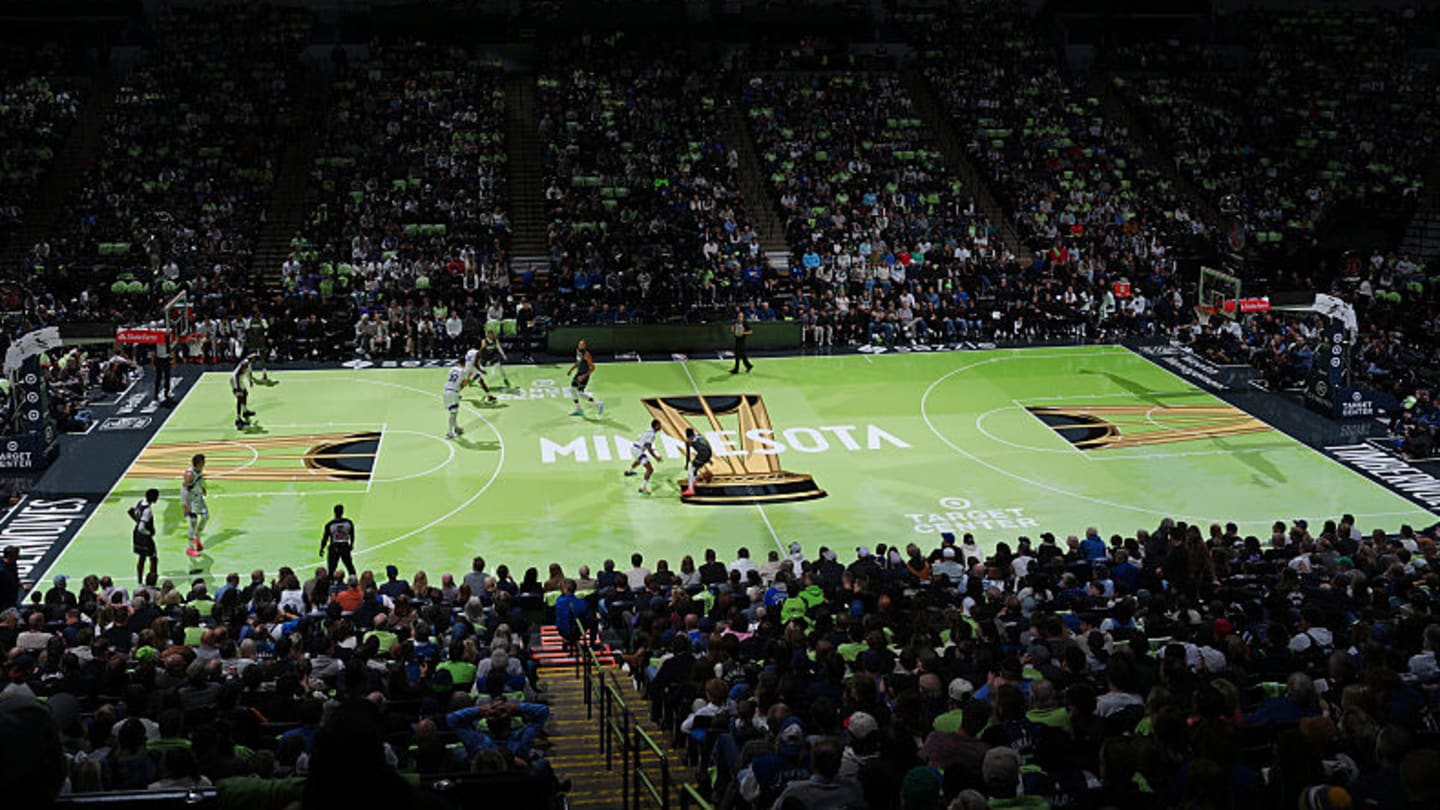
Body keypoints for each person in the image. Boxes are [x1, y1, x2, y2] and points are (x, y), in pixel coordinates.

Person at [129, 488, 160, 584]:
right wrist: (149, 533)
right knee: (153, 558)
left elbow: (130, 511)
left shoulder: (140, 503)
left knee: (142, 558)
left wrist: (137, 521)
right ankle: (152, 581)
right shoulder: (148, 511)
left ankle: (139, 582)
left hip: (137, 535)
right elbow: (141, 528)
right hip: (144, 536)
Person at [626, 419, 664, 495]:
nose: (661, 426)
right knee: (650, 469)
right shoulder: (652, 435)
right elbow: (648, 447)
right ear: (656, 426)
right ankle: (642, 488)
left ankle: (628, 471)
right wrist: (656, 457)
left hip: (634, 448)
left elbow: (645, 444)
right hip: (638, 450)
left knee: (639, 460)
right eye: (659, 425)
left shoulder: (648, 430)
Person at [567, 339, 604, 417]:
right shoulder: (578, 351)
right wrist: (571, 370)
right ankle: (578, 409)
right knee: (572, 389)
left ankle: (598, 403)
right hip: (578, 373)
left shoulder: (587, 355)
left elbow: (593, 368)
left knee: (580, 393)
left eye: (582, 345)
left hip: (584, 375)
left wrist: (583, 376)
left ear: (585, 346)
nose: (580, 345)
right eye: (579, 344)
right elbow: (578, 362)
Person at [320, 504, 357, 580]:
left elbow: (325, 538)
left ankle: (330, 585)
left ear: (334, 512)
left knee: (331, 569)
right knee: (350, 567)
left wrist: (322, 548)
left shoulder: (330, 524)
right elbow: (352, 535)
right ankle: (354, 582)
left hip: (334, 547)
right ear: (342, 512)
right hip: (345, 546)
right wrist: (351, 544)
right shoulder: (348, 522)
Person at [181, 454, 207, 558]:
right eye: (203, 463)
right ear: (198, 464)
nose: (204, 464)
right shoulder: (189, 474)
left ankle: (197, 538)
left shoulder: (199, 471)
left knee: (205, 517)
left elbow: (198, 482)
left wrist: (202, 488)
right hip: (191, 500)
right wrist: (185, 504)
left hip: (199, 497)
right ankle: (190, 548)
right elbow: (184, 490)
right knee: (193, 522)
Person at [682, 427, 713, 497]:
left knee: (691, 470)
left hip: (702, 455)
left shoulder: (688, 441)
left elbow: (688, 453)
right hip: (708, 453)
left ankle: (690, 490)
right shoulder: (700, 436)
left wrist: (687, 464)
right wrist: (708, 458)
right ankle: (694, 481)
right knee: (696, 465)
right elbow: (707, 445)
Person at [231, 355, 256, 429]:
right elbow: (236, 375)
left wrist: (250, 381)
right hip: (235, 380)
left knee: (245, 393)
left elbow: (248, 373)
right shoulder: (244, 363)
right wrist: (237, 388)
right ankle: (238, 419)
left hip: (240, 380)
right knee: (240, 398)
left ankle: (245, 411)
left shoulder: (249, 364)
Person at [442, 362, 465, 440]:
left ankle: (456, 428)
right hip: (453, 393)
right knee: (453, 413)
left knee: (453, 411)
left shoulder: (452, 369)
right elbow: (462, 383)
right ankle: (449, 432)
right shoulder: (463, 371)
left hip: (445, 391)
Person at [730, 309, 753, 374]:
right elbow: (732, 328)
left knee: (739, 355)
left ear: (743, 317)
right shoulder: (735, 322)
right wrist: (732, 329)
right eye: (738, 316)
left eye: (741, 316)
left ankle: (737, 369)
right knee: (741, 355)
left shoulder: (745, 323)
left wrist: (744, 332)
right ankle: (748, 366)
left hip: (742, 341)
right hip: (737, 340)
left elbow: (750, 331)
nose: (739, 318)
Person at [153, 333, 173, 404]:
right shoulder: (157, 340)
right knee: (159, 377)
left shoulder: (168, 340)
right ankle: (156, 393)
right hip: (159, 359)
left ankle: (166, 392)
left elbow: (171, 348)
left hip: (166, 359)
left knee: (167, 376)